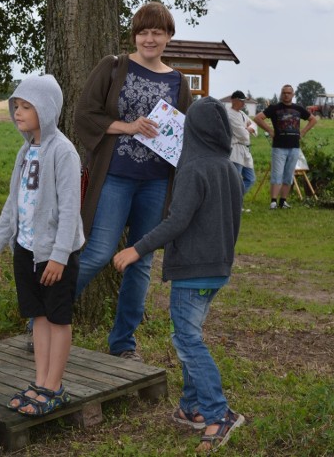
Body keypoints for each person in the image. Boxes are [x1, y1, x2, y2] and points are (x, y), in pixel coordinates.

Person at [113, 96, 245, 453]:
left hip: (192, 272)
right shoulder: (228, 168)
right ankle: (191, 408)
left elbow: (176, 221)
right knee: (188, 334)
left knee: (187, 340)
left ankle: (219, 413)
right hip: (217, 269)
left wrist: (135, 248)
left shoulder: (193, 168)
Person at [74, 1, 193, 362]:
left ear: (169, 36)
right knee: (96, 254)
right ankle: (44, 318)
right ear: (135, 35)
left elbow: (184, 132)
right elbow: (85, 115)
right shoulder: (114, 67)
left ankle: (123, 344)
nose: (150, 38)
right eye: (143, 31)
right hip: (115, 177)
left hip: (156, 183)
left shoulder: (178, 81)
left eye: (157, 32)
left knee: (140, 263)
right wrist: (129, 126)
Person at [0, 75, 84, 416]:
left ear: (45, 109)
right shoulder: (26, 151)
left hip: (55, 255)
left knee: (58, 318)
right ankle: (41, 382)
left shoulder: (63, 152)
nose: (18, 112)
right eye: (16, 105)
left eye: (26, 106)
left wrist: (59, 256)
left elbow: (71, 209)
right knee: (38, 317)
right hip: (26, 251)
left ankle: (54, 387)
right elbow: (13, 201)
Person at [252, 84, 318, 209]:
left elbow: (313, 119)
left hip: (294, 147)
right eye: (284, 93)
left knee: (288, 175)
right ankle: (273, 202)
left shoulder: (298, 109)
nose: (286, 95)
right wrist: (270, 130)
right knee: (277, 174)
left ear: (293, 95)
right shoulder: (274, 108)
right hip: (279, 147)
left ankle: (283, 201)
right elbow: (258, 118)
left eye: (288, 93)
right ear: (281, 94)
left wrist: (303, 132)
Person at [226, 90, 256, 199]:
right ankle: (233, 202)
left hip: (245, 150)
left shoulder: (242, 114)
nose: (243, 104)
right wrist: (248, 129)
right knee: (236, 180)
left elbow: (254, 124)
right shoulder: (229, 114)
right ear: (234, 100)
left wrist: (249, 128)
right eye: (241, 101)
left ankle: (234, 200)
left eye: (244, 102)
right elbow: (242, 134)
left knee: (250, 178)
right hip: (235, 151)